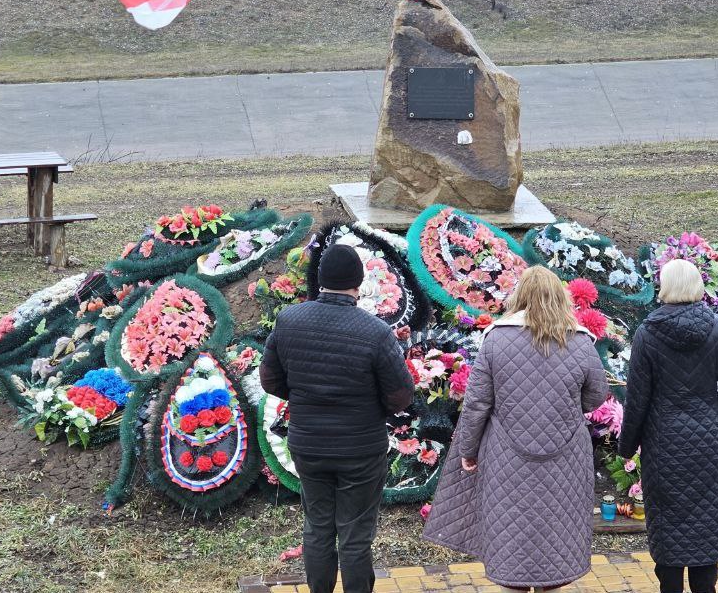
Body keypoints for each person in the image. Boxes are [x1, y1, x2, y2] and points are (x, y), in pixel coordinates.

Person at [424, 265, 608, 592]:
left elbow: (478, 403)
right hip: (566, 460)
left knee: (511, 535)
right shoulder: (580, 342)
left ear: (519, 295)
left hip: (506, 458)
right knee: (557, 538)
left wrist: (468, 451)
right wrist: (564, 409)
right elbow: (595, 397)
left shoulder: (497, 338)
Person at [260, 243, 415, 593]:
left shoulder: (289, 321)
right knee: (356, 534)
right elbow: (401, 394)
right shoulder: (374, 331)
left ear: (320, 279)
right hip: (360, 448)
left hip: (309, 444)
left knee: (317, 527)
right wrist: (369, 406)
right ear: (358, 282)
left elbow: (269, 380)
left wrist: (305, 395)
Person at [617, 258, 718, 593]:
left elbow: (638, 398)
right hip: (706, 441)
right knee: (706, 530)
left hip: (663, 443)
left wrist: (626, 447)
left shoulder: (648, 332)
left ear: (665, 286)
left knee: (668, 531)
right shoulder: (717, 328)